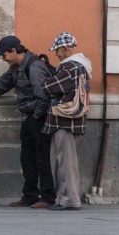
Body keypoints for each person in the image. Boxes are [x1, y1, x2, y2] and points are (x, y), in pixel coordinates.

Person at [0, 35, 56, 208]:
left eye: (4, 55)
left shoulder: (35, 67)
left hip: (39, 119)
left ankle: (47, 197)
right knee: (27, 158)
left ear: (14, 51)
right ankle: (30, 195)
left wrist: (36, 117)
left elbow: (43, 96)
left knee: (42, 159)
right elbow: (3, 83)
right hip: (28, 118)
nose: (3, 58)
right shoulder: (16, 67)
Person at [42, 32, 92, 211]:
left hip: (64, 121)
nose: (56, 54)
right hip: (71, 120)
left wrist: (46, 80)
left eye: (58, 50)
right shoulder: (82, 66)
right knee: (62, 161)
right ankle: (64, 198)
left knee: (65, 163)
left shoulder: (70, 67)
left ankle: (69, 200)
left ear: (66, 48)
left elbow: (50, 87)